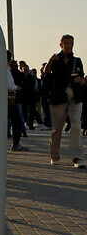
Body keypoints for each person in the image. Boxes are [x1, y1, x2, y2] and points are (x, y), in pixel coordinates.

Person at [42, 34, 86, 168]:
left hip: (75, 97)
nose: (69, 46)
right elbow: (45, 72)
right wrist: (50, 60)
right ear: (61, 45)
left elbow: (82, 78)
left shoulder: (77, 61)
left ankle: (77, 157)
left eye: (71, 43)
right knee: (57, 129)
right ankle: (54, 156)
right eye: (66, 43)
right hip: (58, 97)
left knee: (77, 126)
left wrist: (81, 80)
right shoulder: (55, 59)